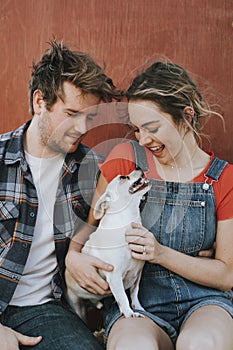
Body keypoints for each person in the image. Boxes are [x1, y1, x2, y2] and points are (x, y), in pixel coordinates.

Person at [67, 61, 233, 349]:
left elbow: (226, 275)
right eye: (136, 129)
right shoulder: (126, 161)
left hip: (205, 300)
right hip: (140, 302)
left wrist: (160, 253)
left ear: (186, 116)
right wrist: (73, 257)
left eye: (152, 127)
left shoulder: (223, 178)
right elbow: (89, 226)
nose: (144, 139)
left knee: (203, 342)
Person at [0, 39, 120, 349]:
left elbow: (122, 222)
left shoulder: (92, 169)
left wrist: (76, 257)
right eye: (71, 113)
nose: (82, 127)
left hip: (43, 309)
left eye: (89, 117)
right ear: (40, 102)